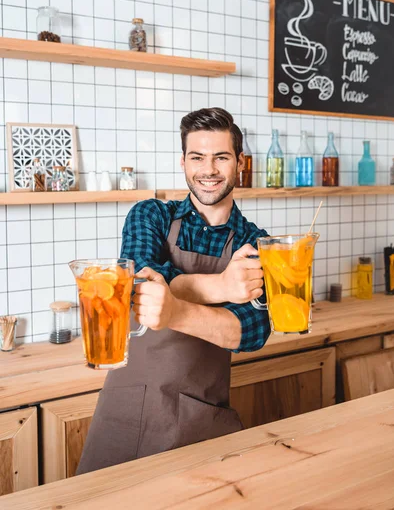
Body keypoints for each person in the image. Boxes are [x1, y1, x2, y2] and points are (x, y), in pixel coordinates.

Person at [76, 107, 270, 475]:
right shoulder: (150, 215)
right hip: (127, 405)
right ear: (183, 162)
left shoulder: (254, 241)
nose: (208, 170)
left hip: (202, 412)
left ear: (240, 162)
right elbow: (138, 289)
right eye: (197, 157)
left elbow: (251, 331)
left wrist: (173, 308)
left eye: (221, 157)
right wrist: (222, 286)